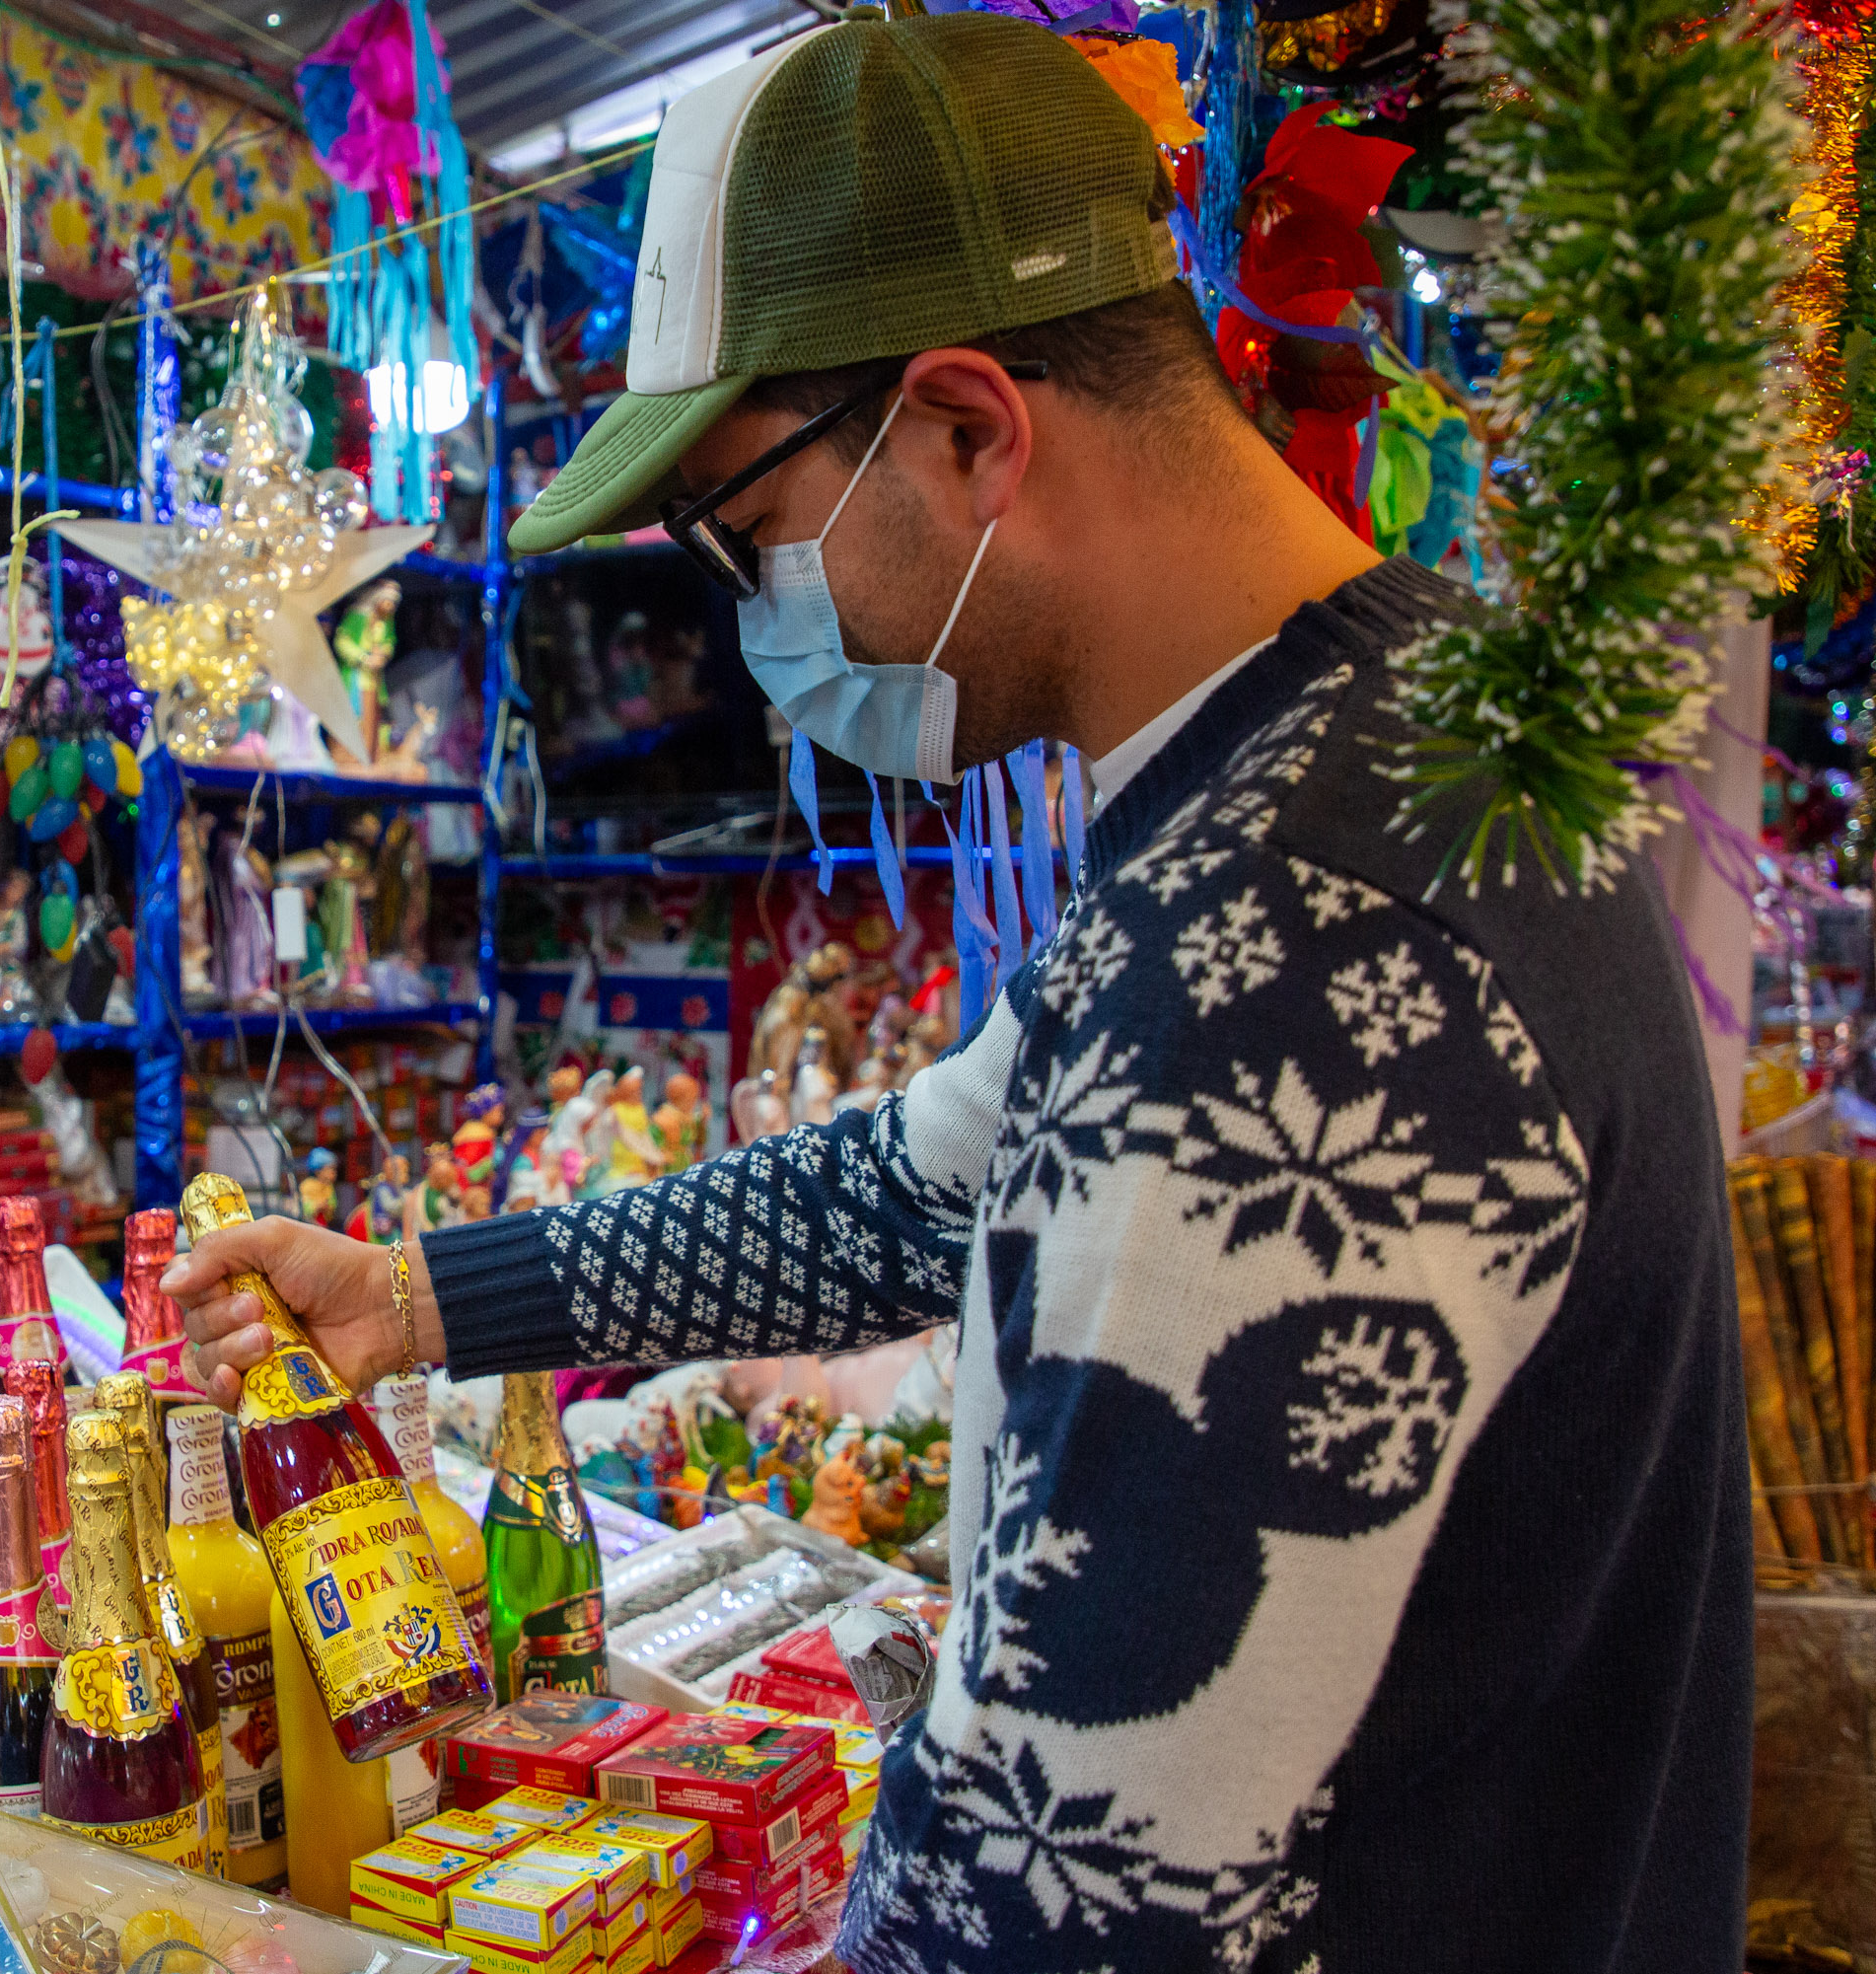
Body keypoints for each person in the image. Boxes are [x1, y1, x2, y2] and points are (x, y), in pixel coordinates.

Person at [165, 10, 1745, 1969]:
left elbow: (1066, 1888)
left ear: (972, 429)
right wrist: (417, 1295)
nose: (759, 629)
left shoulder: (1296, 953)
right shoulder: (1370, 731)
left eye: (752, 540)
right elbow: (907, 1188)